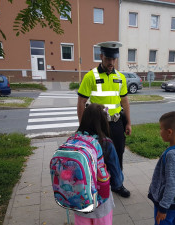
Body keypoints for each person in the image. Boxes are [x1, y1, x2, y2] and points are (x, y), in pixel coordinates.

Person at [77, 41, 131, 198]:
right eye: (108, 59)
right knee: (97, 155)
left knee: (118, 153)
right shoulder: (90, 76)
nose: (111, 62)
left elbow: (125, 101)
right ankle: (97, 184)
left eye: (114, 59)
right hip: (98, 125)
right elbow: (81, 102)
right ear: (101, 56)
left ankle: (117, 184)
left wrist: (128, 122)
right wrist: (82, 127)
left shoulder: (120, 77)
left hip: (116, 123)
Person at [74, 103, 125, 225]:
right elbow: (117, 179)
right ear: (104, 122)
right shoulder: (106, 144)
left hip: (79, 200)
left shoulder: (75, 140)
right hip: (101, 201)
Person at [148, 111, 175, 225]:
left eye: (161, 128)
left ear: (169, 132)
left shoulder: (172, 154)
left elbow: (172, 184)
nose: (160, 132)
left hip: (169, 206)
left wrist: (163, 208)